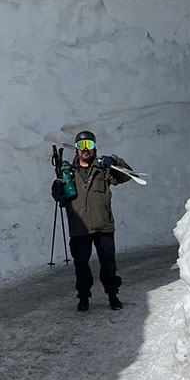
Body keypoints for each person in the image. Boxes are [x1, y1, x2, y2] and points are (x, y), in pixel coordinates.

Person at [51, 130, 132, 312]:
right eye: (81, 145)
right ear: (76, 149)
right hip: (79, 227)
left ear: (95, 148)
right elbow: (61, 199)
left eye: (89, 145)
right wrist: (56, 189)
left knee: (108, 264)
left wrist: (115, 160)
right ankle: (84, 297)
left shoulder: (103, 169)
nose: (85, 149)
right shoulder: (68, 172)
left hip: (103, 225)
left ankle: (113, 295)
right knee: (81, 266)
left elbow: (126, 176)